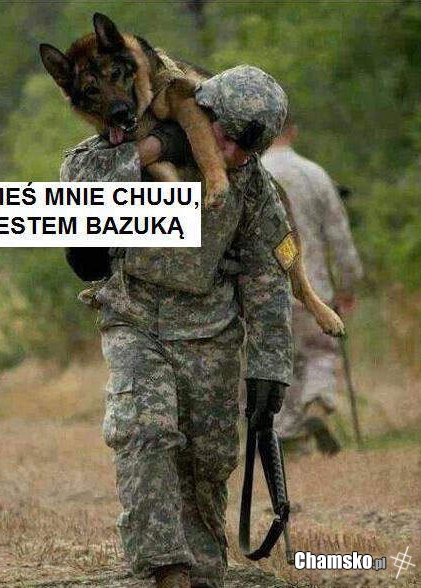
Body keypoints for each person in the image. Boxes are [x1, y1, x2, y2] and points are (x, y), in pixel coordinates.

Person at [61, 66, 295, 588]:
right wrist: (152, 149)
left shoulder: (253, 187)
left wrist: (270, 368)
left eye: (247, 150)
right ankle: (163, 567)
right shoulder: (142, 147)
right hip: (134, 317)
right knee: (146, 431)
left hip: (211, 330)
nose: (231, 155)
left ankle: (203, 568)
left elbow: (268, 277)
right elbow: (76, 176)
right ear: (201, 115)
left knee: (208, 456)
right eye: (225, 139)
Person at [261, 115, 363, 453]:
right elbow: (340, 238)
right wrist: (348, 286)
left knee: (280, 364)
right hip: (314, 288)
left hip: (265, 291)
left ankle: (289, 438)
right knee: (320, 352)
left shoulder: (253, 172)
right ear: (293, 132)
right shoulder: (314, 174)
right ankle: (317, 404)